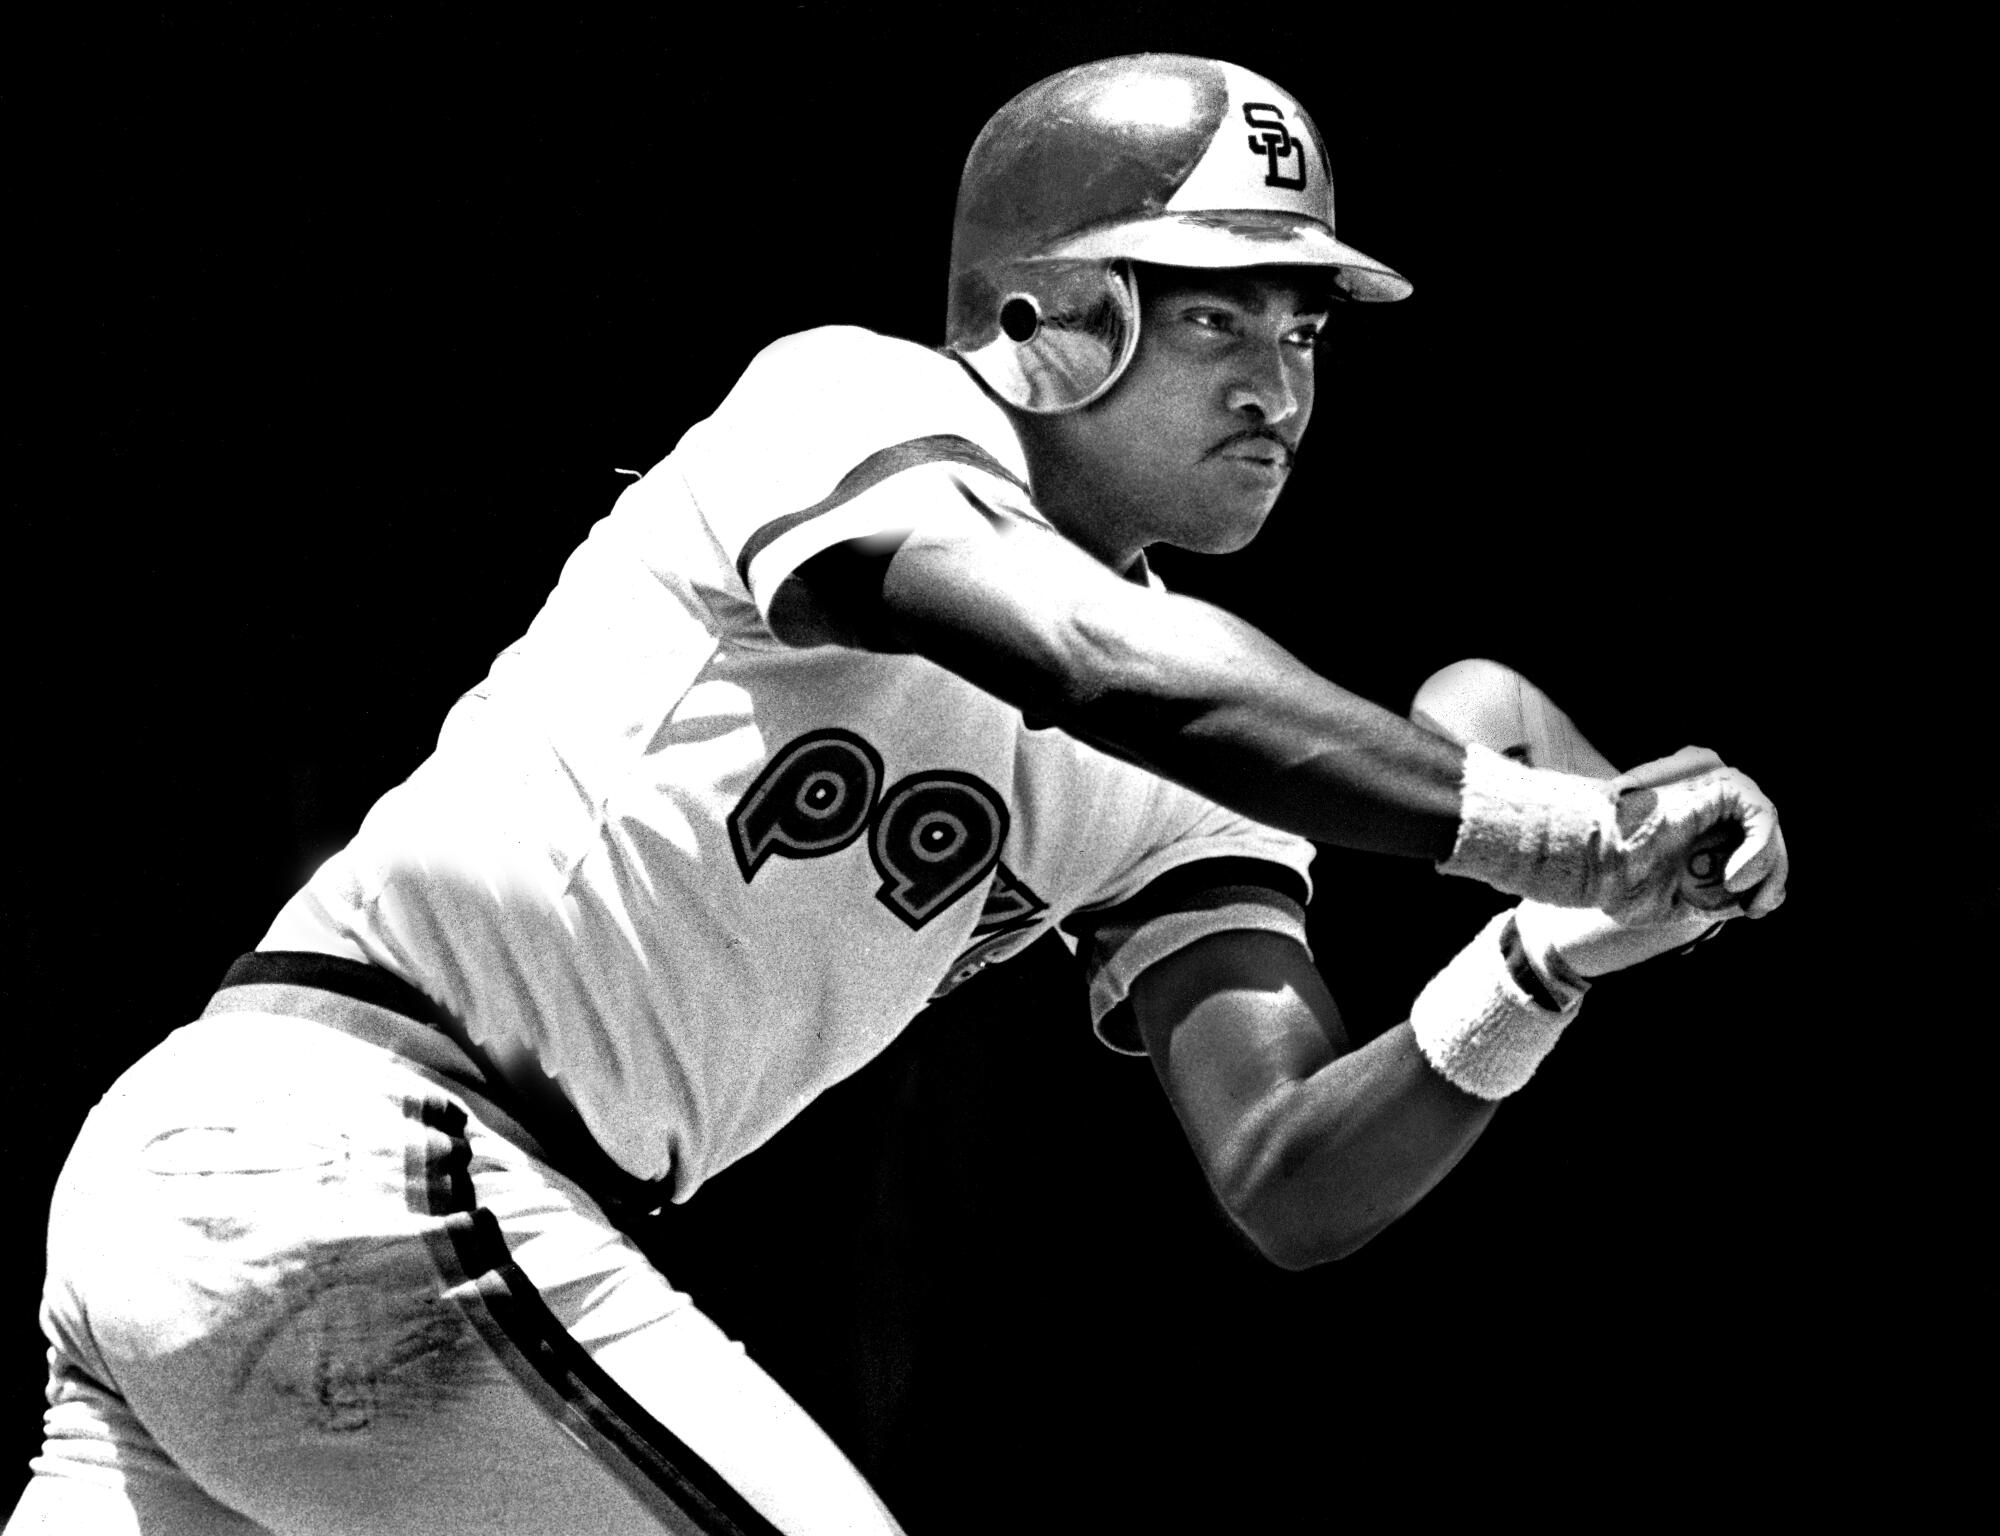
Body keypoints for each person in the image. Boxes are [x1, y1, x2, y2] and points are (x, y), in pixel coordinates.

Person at [8, 53, 1787, 1536]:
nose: (1280, 383)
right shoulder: (847, 406)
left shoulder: (1201, 767)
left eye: (1306, 327)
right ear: (1055, 318)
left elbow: (1289, 1177)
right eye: (1218, 313)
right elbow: (1102, 667)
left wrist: (1540, 962)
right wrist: (1558, 825)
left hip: (296, 1226)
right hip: (360, 1152)